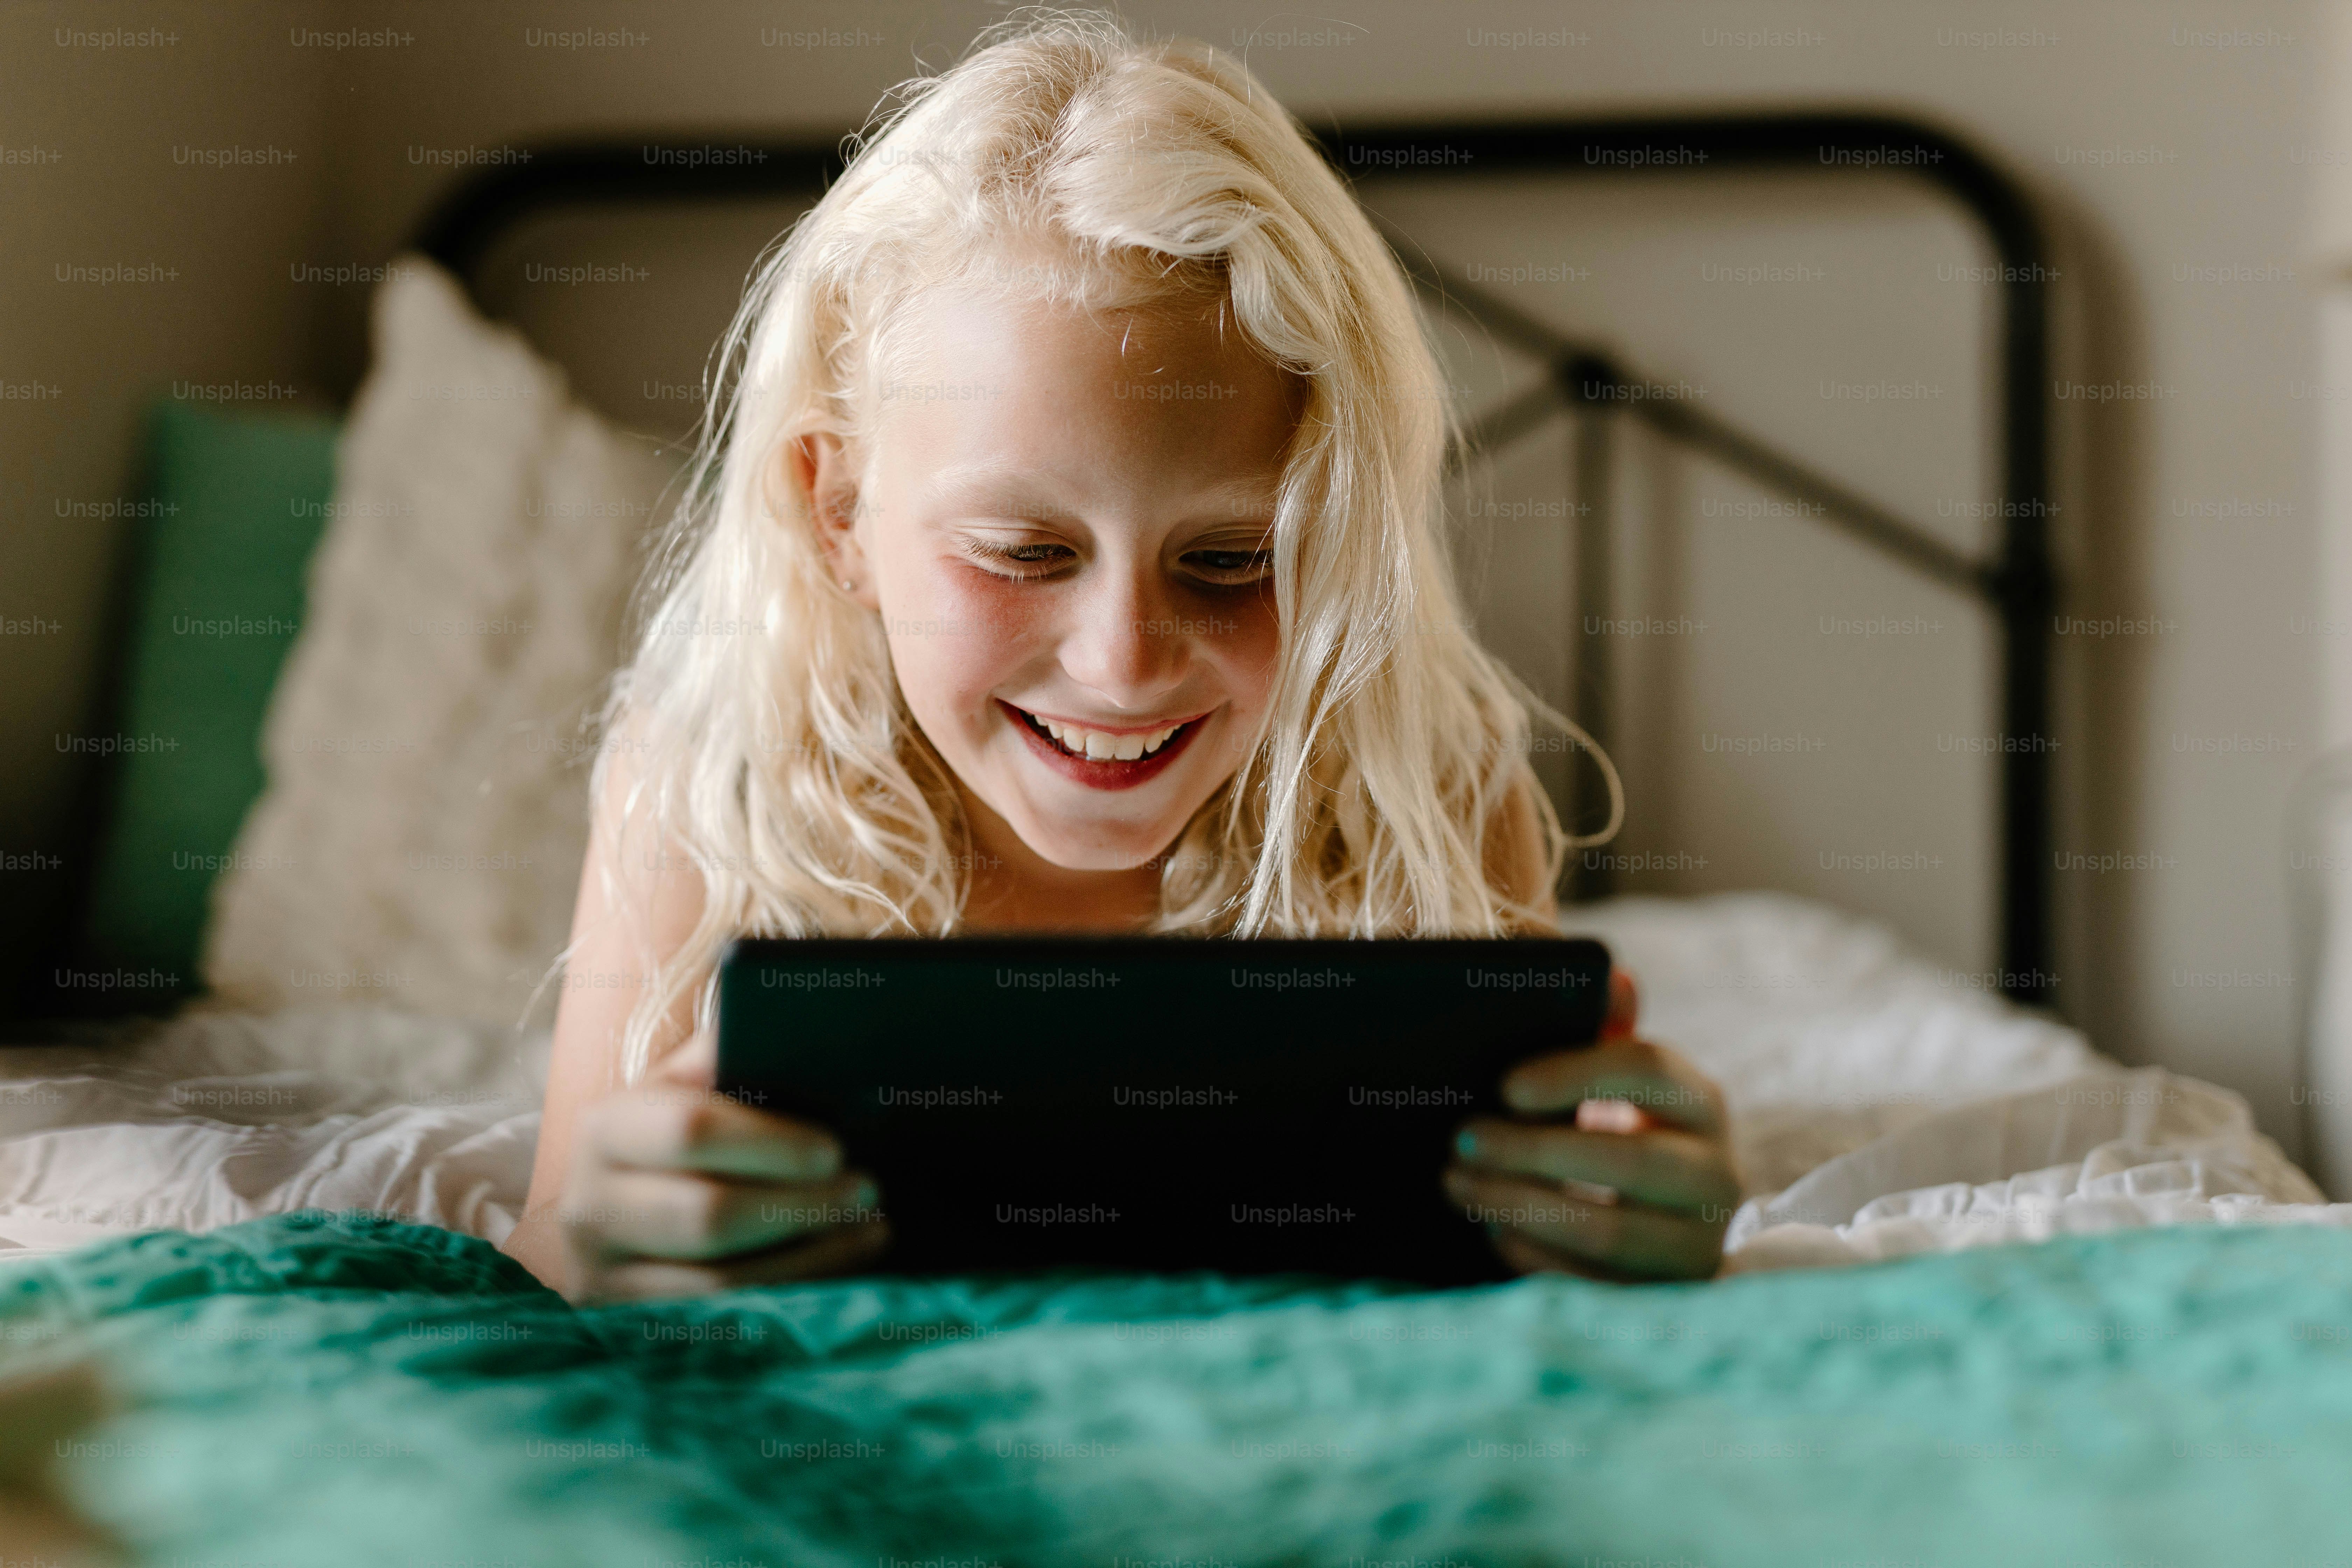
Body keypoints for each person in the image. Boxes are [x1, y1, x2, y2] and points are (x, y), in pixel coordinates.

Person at [501, 11, 1737, 1299]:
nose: (1126, 664)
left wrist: (1627, 1229)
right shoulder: (714, 785)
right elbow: (549, 1246)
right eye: (1024, 552)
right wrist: (597, 1239)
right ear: (839, 513)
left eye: (1230, 561)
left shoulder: (1427, 794)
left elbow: (1526, 1257)